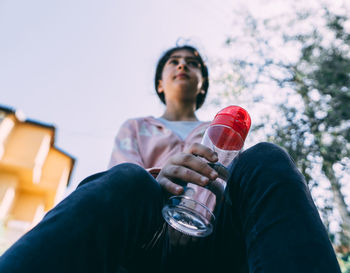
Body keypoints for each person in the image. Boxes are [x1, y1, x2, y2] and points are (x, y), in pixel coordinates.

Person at [0, 45, 341, 273]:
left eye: (193, 63)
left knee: (267, 157)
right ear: (161, 83)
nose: (183, 66)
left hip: (215, 241)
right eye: (174, 62)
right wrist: (160, 181)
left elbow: (241, 194)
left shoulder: (221, 132)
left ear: (202, 83)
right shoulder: (137, 127)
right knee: (125, 178)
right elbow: (118, 193)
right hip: (145, 242)